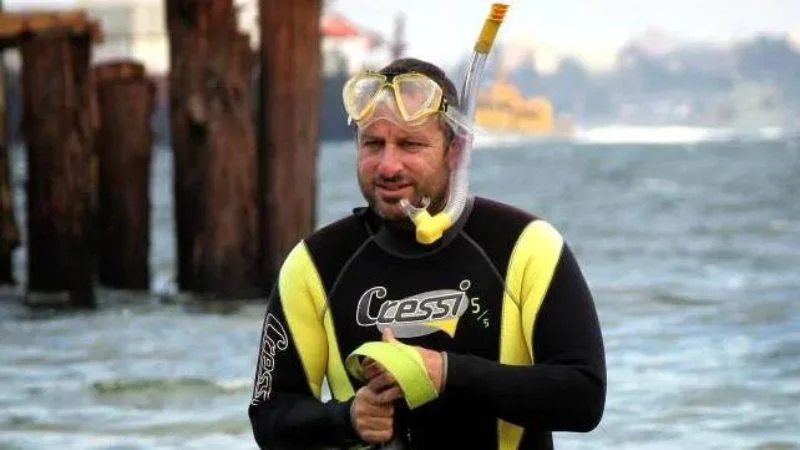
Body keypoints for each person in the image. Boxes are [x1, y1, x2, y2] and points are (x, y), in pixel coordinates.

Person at [248, 57, 606, 450]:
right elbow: (269, 417)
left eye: (410, 144)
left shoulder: (527, 246)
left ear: (456, 151)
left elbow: (584, 397)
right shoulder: (314, 264)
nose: (387, 165)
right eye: (373, 143)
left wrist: (446, 373)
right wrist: (347, 418)